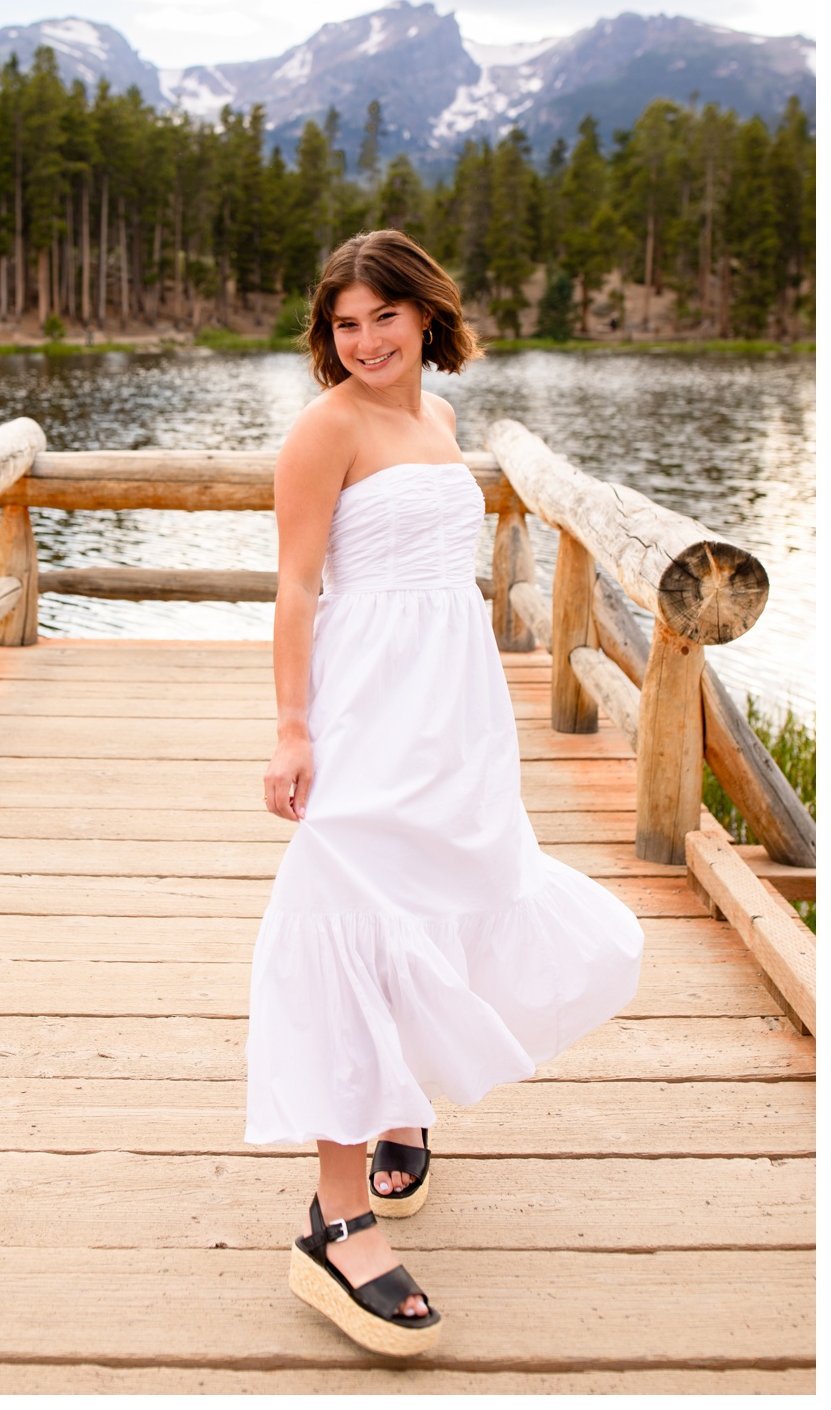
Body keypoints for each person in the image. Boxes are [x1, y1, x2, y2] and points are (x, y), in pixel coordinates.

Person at [248, 231, 642, 1358]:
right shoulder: (325, 429)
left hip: (451, 696)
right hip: (366, 698)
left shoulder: (440, 421)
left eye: (383, 316)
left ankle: (400, 1100)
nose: (364, 341)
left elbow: (445, 574)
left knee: (447, 888)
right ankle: (336, 1219)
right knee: (346, 912)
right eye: (343, 324)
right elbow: (295, 583)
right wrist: (292, 728)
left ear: (426, 315)